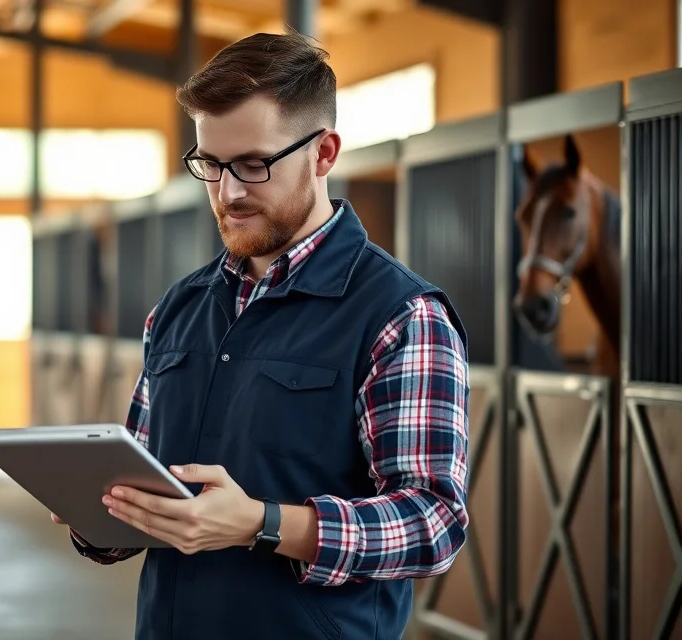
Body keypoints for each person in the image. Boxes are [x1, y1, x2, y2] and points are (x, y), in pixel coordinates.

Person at [50, 31, 471, 640]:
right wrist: (101, 514)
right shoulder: (177, 309)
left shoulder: (401, 315)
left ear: (323, 153)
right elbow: (152, 491)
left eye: (253, 164)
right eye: (211, 165)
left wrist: (261, 523)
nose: (228, 192)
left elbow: (433, 524)